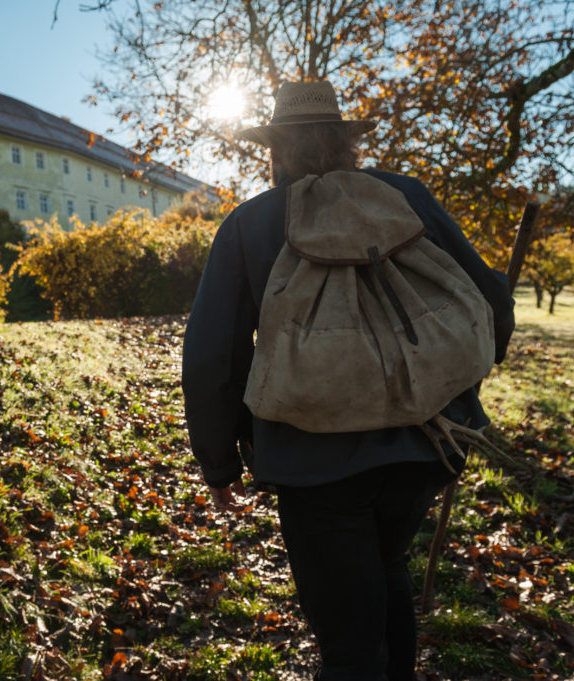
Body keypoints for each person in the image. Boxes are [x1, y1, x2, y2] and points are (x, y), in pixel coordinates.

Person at [181, 81, 515, 681]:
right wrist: (472, 376)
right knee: (387, 568)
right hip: (425, 446)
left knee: (347, 639)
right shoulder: (406, 196)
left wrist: (220, 463)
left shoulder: (251, 224)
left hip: (313, 464)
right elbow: (489, 298)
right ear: (344, 142)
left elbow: (212, 359)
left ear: (275, 149)